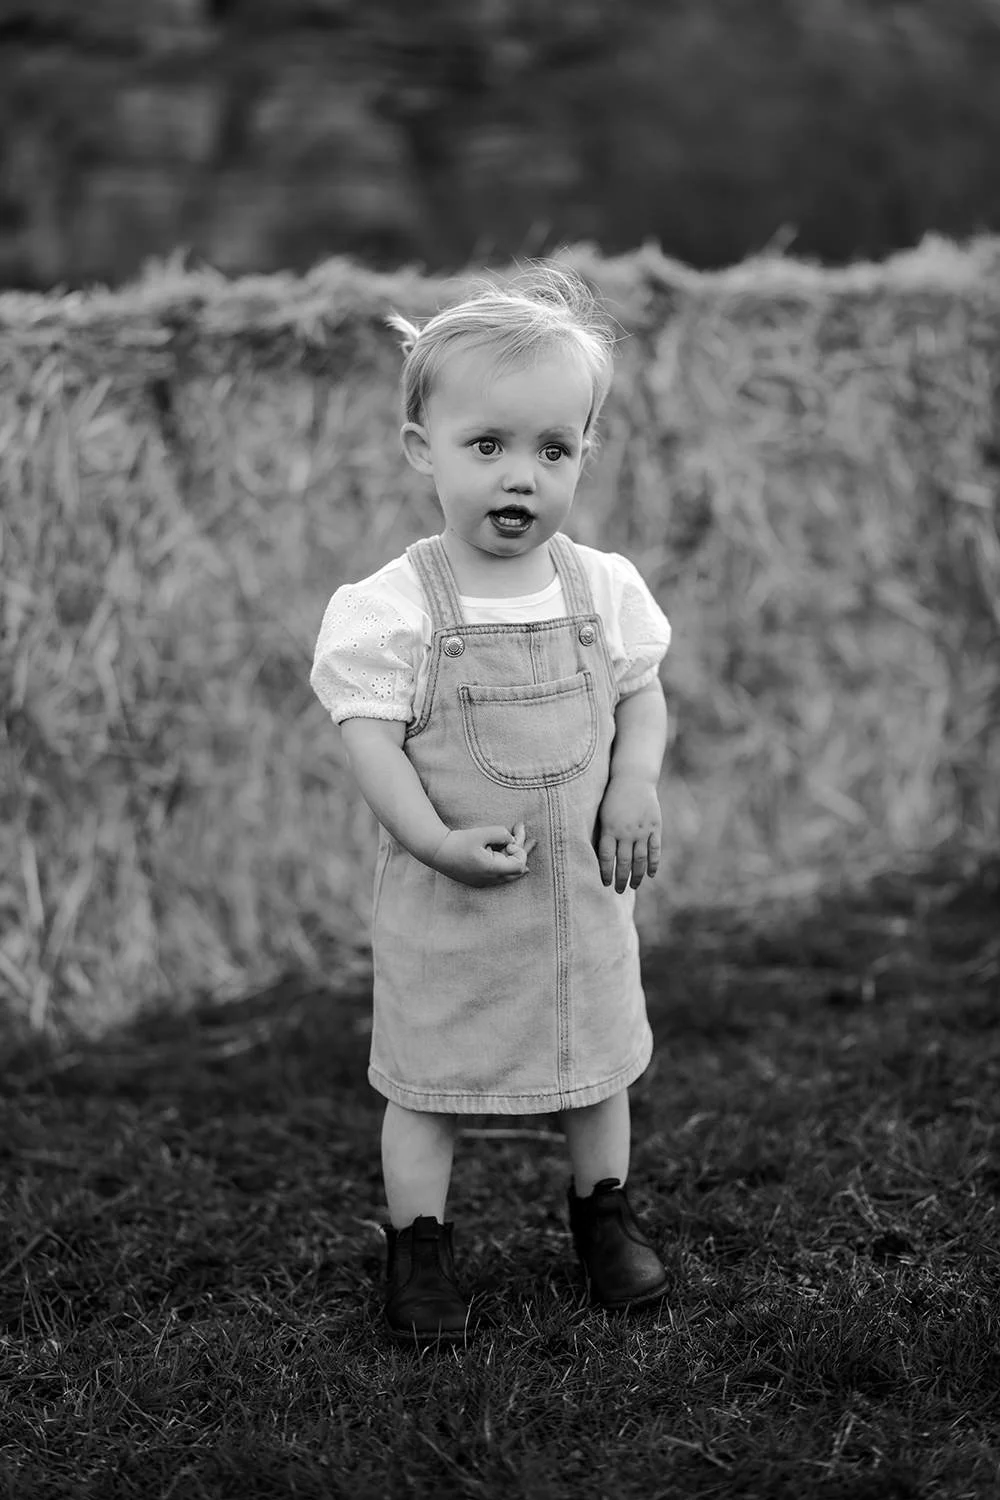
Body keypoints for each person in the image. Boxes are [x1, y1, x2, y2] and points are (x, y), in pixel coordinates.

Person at [310, 264, 673, 1345]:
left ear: (583, 456)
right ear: (423, 449)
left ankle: (601, 1212)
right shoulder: (393, 608)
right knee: (426, 1085)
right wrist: (430, 840)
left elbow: (640, 695)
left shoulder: (598, 587)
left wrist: (634, 782)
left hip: (575, 901)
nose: (522, 476)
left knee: (595, 1065)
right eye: (489, 447)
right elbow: (367, 739)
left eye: (552, 450)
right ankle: (418, 1245)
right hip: (452, 900)